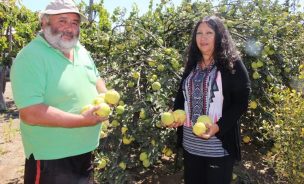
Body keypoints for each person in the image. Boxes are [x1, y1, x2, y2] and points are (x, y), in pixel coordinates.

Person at [10, 0, 107, 183]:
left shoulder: (80, 50)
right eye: (62, 21)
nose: (69, 28)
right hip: (52, 158)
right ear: (44, 23)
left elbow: (96, 79)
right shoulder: (31, 57)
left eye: (74, 22)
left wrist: (106, 97)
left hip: (85, 152)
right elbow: (31, 113)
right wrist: (82, 121)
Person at [171, 16, 251, 184]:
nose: (203, 37)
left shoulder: (231, 64)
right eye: (199, 33)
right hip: (190, 144)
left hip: (217, 146)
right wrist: (175, 115)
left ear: (219, 36)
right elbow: (182, 95)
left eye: (209, 32)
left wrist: (218, 127)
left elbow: (241, 102)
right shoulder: (193, 63)